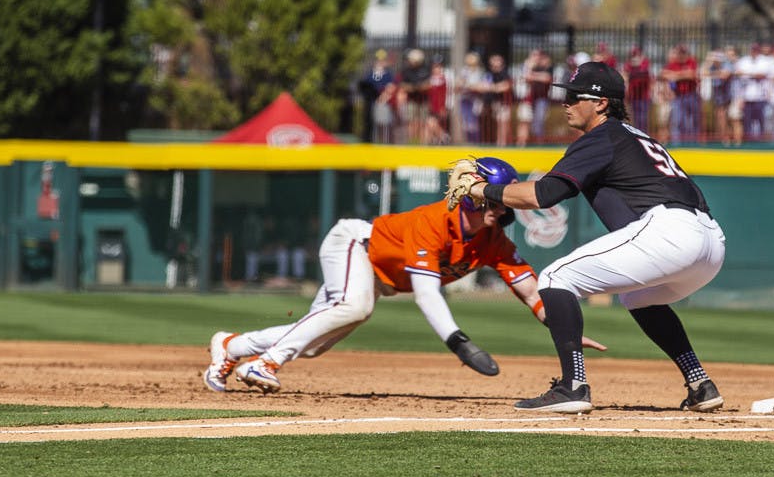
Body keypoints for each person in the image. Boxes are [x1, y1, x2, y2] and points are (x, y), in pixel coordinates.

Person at [204, 157, 606, 394]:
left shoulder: (493, 241)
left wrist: (563, 330)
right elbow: (428, 295)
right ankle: (264, 364)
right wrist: (459, 343)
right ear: (472, 194)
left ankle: (232, 346)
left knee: (313, 345)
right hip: (354, 245)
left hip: (380, 274)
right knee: (354, 306)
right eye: (493, 199)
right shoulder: (433, 222)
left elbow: (531, 292)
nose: (500, 208)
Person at [465, 62, 726, 414]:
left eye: (575, 96)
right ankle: (700, 383)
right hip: (709, 243)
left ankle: (573, 386)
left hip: (671, 231)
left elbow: (542, 195)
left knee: (557, 277)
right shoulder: (634, 135)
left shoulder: (601, 137)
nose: (566, 103)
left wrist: (483, 190)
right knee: (638, 298)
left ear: (601, 103)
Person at [358, 49, 395, 143]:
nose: (380, 62)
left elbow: (391, 87)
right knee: (372, 123)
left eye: (383, 60)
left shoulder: (388, 75)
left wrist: (383, 97)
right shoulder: (370, 74)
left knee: (384, 124)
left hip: (383, 103)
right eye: (379, 60)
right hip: (371, 103)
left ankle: (385, 142)